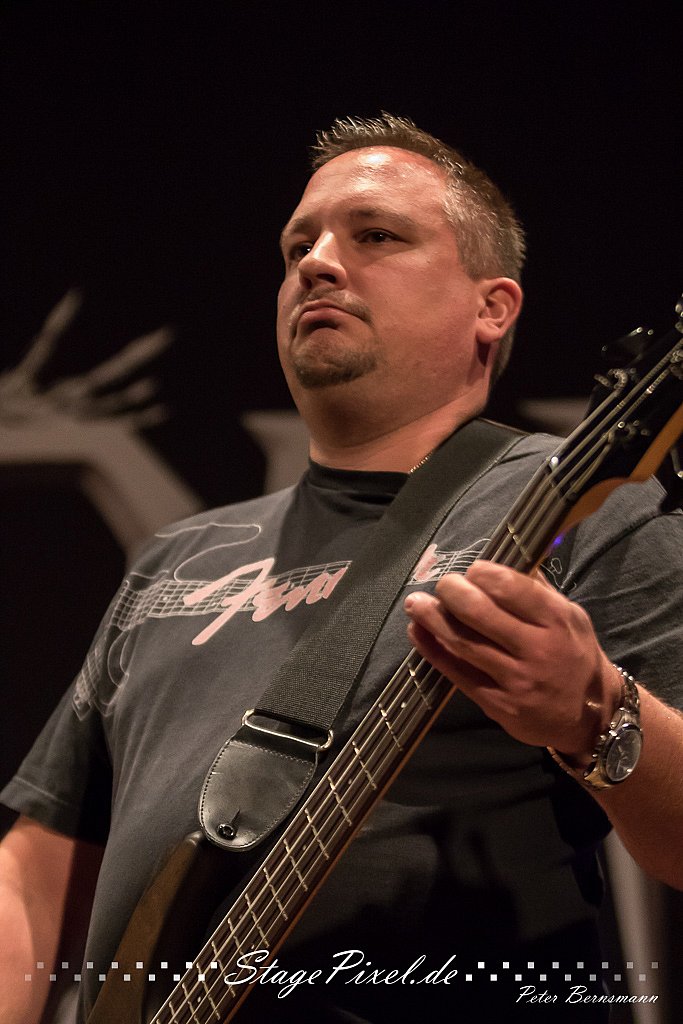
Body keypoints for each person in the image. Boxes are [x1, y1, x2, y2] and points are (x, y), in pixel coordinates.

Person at [1, 113, 681, 1023]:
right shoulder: (177, 556)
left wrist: (594, 710)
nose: (317, 264)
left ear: (492, 307)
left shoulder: (579, 509)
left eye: (376, 236)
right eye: (298, 247)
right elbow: (36, 874)